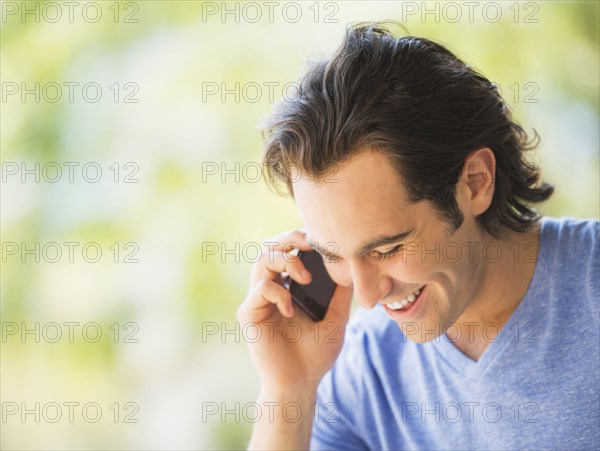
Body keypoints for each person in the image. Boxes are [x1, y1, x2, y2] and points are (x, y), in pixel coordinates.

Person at [237, 21, 599, 450]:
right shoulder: (365, 367)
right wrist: (288, 389)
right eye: (332, 254)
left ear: (476, 182)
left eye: (388, 248)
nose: (368, 298)